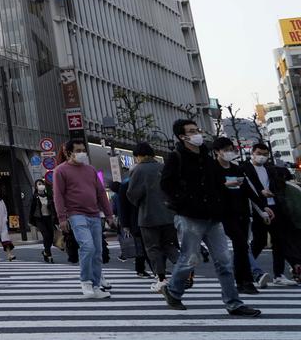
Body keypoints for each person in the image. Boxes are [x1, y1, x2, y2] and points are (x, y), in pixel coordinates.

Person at [159, 118, 259, 316]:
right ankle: (173, 291)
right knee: (189, 259)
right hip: (190, 215)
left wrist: (223, 189)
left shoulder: (206, 156)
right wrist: (184, 201)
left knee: (224, 261)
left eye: (197, 129)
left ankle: (233, 303)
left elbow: (215, 182)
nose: (197, 133)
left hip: (213, 216)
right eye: (192, 131)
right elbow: (166, 185)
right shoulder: (176, 157)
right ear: (182, 136)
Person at [53, 138, 116, 299]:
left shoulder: (90, 170)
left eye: (83, 150)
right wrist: (62, 217)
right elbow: (58, 195)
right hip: (75, 214)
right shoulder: (60, 171)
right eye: (78, 151)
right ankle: (86, 282)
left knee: (97, 251)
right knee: (87, 247)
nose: (82, 153)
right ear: (68, 153)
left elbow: (101, 193)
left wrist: (109, 214)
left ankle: (96, 285)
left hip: (94, 214)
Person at [126, 142, 180, 292]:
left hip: (148, 216)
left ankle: (161, 278)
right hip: (168, 215)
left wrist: (140, 202)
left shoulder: (138, 170)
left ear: (138, 156)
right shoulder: (163, 167)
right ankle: (184, 267)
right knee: (169, 244)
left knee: (153, 248)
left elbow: (132, 194)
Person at [212, 137, 262, 295]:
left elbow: (248, 189)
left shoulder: (236, 168)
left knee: (242, 246)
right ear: (217, 152)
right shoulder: (213, 170)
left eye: (231, 149)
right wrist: (223, 185)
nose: (229, 153)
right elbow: (209, 190)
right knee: (240, 243)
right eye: (225, 150)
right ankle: (244, 280)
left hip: (242, 212)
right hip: (225, 214)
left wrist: (263, 207)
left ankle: (242, 280)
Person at [244, 142, 297, 287]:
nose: (262, 157)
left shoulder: (269, 169)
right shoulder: (245, 168)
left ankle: (278, 274)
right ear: (252, 153)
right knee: (259, 241)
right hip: (257, 209)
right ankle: (246, 270)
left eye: (265, 154)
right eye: (259, 153)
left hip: (274, 207)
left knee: (278, 241)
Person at [29, 178, 58, 262]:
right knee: (46, 235)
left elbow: (53, 209)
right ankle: (49, 254)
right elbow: (31, 209)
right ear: (36, 186)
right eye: (39, 184)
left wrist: (56, 220)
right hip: (39, 219)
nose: (41, 186)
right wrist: (30, 221)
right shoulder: (35, 197)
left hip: (49, 218)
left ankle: (45, 251)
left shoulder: (48, 196)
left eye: (42, 184)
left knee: (51, 236)